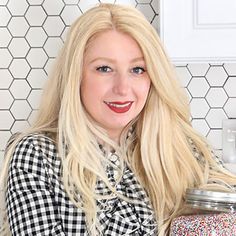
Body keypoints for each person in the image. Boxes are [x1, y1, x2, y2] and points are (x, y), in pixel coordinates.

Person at [1, 3, 236, 236]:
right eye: (104, 69)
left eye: (137, 70)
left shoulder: (182, 149)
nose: (123, 88)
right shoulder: (37, 155)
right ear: (76, 76)